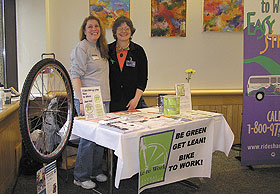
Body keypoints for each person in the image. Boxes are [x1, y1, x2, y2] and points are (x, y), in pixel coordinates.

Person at [70, 15, 110, 190]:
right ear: (84, 30)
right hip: (89, 99)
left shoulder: (101, 48)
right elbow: (75, 75)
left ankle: (94, 171)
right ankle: (80, 176)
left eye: (97, 26)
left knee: (99, 138)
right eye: (90, 27)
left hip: (103, 99)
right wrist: (82, 101)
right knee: (88, 139)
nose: (94, 29)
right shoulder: (82, 47)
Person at [108, 16, 148, 112]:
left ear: (131, 31)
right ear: (115, 31)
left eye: (127, 29)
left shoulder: (138, 51)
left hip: (133, 102)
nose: (123, 31)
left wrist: (136, 99)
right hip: (112, 102)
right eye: (120, 29)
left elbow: (143, 78)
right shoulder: (107, 50)